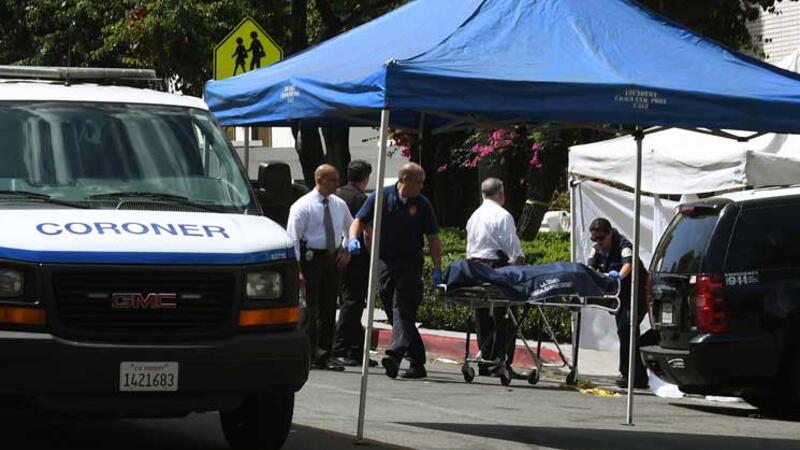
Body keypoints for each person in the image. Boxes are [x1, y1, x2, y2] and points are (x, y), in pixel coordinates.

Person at [348, 162, 442, 379]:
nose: (422, 186)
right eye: (419, 182)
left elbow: (433, 238)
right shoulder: (382, 197)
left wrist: (438, 267)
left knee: (402, 306)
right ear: (404, 179)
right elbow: (359, 220)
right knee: (395, 312)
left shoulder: (422, 204)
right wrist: (353, 239)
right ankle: (417, 362)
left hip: (410, 263)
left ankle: (395, 354)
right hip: (385, 262)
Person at [287, 164, 353, 371]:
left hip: (331, 259)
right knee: (311, 307)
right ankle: (309, 353)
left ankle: (325, 354)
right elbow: (293, 238)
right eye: (332, 180)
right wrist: (297, 268)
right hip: (311, 259)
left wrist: (347, 249)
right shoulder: (303, 206)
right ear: (319, 180)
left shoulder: (339, 204)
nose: (336, 184)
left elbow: (351, 227)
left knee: (328, 307)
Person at [465, 178, 526, 380]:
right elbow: (513, 249)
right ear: (501, 194)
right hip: (497, 269)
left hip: (475, 268)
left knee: (482, 314)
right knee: (505, 315)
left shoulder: (474, 216)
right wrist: (521, 269)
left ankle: (486, 360)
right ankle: (501, 362)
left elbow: (470, 247)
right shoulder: (502, 215)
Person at [586, 217, 649, 389]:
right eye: (594, 239)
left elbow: (628, 265)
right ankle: (636, 376)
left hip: (636, 294)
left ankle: (629, 374)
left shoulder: (624, 245)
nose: (598, 242)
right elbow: (590, 268)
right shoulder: (597, 249)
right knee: (625, 332)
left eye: (601, 238)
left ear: (610, 233)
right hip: (619, 297)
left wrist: (618, 277)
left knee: (627, 329)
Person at [331, 160, 378, 367]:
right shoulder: (361, 199)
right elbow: (367, 232)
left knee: (349, 303)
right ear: (366, 178)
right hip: (356, 258)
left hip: (335, 254)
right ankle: (340, 348)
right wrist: (374, 255)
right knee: (352, 303)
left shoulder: (337, 195)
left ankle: (356, 349)